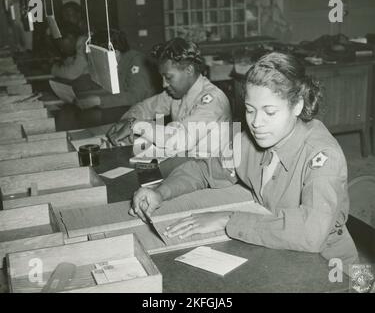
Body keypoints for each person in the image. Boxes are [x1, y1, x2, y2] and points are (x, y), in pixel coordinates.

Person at [131, 52, 359, 274]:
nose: (256, 123)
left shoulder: (323, 155)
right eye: (250, 110)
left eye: (269, 112)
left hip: (331, 268)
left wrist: (228, 219)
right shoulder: (250, 142)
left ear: (297, 106)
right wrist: (160, 192)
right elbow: (204, 170)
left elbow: (311, 233)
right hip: (279, 250)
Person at [106, 37, 232, 157]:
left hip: (213, 172)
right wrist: (125, 122)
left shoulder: (212, 100)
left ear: (189, 70)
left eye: (168, 77)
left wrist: (135, 125)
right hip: (187, 162)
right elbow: (145, 108)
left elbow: (181, 138)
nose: (164, 84)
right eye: (162, 77)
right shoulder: (177, 93)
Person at [76, 29, 161, 109]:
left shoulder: (136, 62)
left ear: (115, 53)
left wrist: (98, 101)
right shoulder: (118, 63)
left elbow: (135, 96)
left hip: (155, 115)